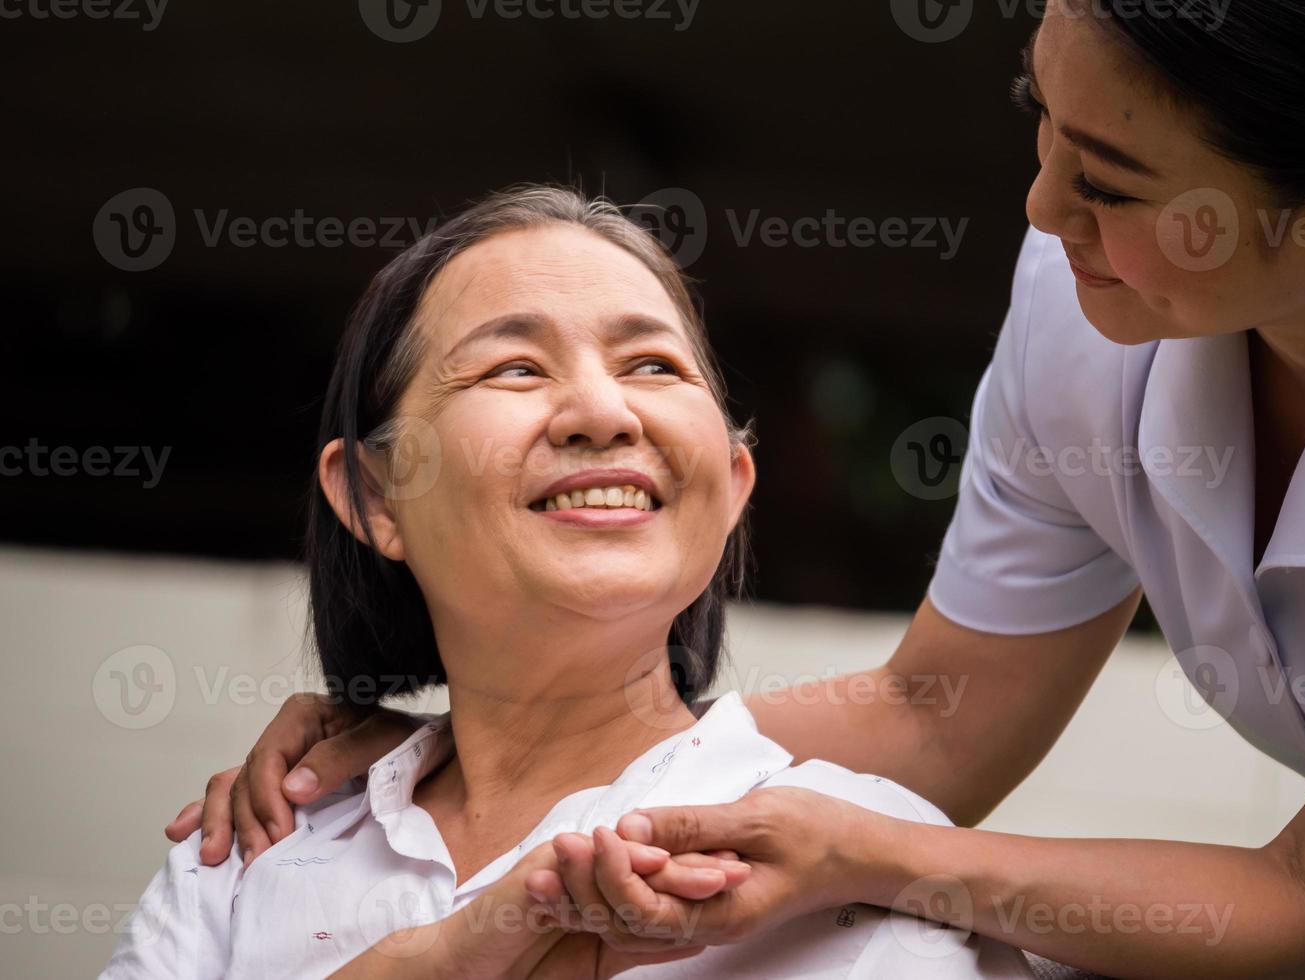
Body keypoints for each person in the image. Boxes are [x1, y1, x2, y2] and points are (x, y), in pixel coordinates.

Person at [170, 1, 1305, 975]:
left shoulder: (871, 938)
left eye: (1108, 186)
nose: (1037, 210)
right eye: (1043, 125)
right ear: (368, 496)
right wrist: (490, 747)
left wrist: (868, 853)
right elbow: (932, 714)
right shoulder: (238, 871)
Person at [104, 186, 1033, 978]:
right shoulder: (246, 853)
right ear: (375, 495)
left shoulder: (861, 855)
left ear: (731, 486)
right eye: (515, 367)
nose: (602, 411)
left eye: (654, 365)